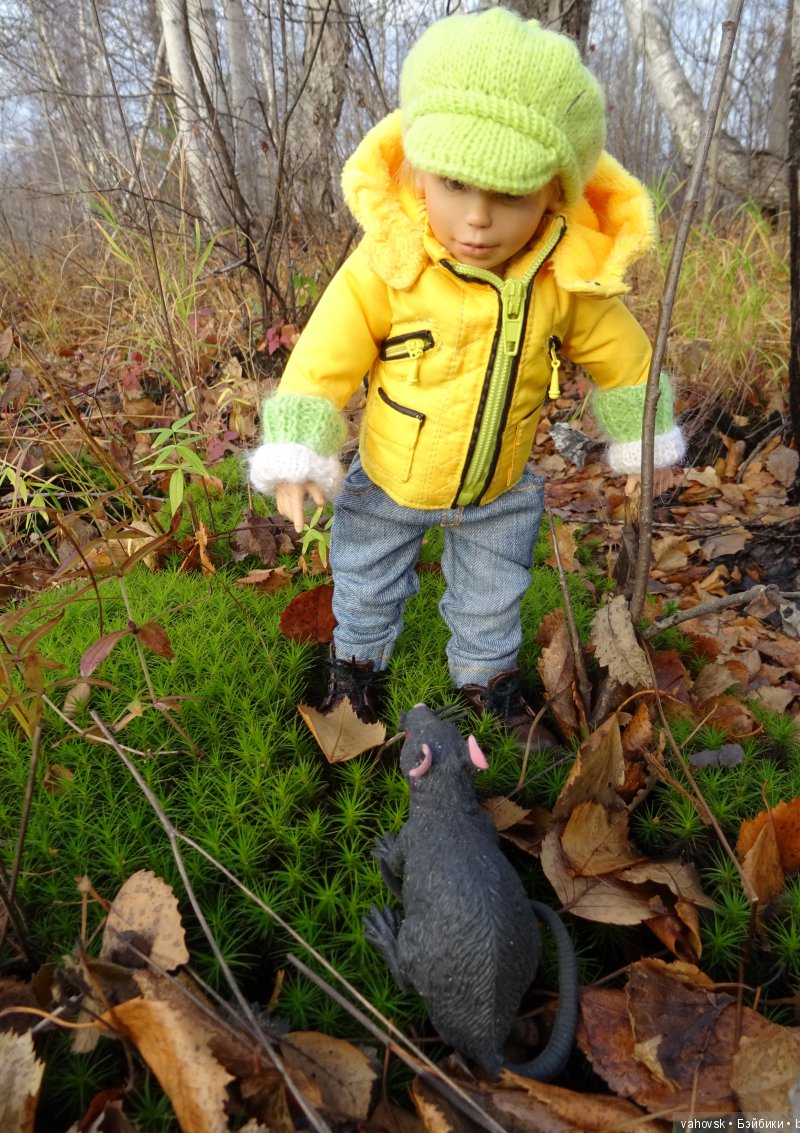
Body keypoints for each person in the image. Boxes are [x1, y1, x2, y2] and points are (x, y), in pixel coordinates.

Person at [248, 7, 685, 744]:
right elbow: (326, 350)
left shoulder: (558, 279)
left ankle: (486, 679)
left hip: (497, 490)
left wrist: (647, 439)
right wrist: (299, 446)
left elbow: (622, 355)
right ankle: (357, 664)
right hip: (389, 477)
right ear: (416, 165)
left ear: (555, 190)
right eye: (453, 182)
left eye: (509, 193)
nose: (476, 220)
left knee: (492, 596)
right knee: (366, 578)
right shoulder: (392, 262)